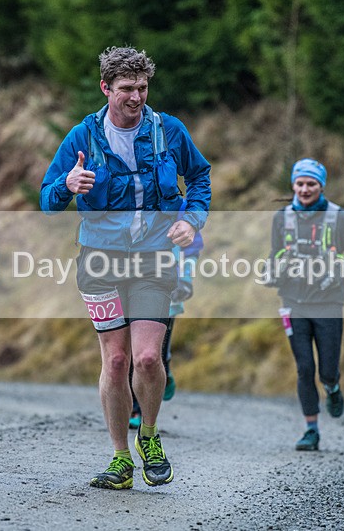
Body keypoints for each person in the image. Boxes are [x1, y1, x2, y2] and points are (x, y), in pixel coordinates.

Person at [40, 46, 211, 489]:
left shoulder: (168, 131)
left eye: (142, 87)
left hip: (154, 258)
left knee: (149, 357)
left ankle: (148, 436)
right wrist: (66, 185)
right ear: (106, 88)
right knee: (116, 361)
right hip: (99, 261)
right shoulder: (82, 137)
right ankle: (120, 460)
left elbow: (200, 178)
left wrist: (190, 221)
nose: (136, 97)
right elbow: (46, 200)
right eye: (126, 89)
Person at [263, 158, 344, 451]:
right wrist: (271, 273)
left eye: (311, 184)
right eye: (300, 183)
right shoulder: (282, 217)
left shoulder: (339, 216)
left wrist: (335, 272)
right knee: (305, 368)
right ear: (293, 185)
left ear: (321, 186)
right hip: (293, 303)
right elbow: (274, 255)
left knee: (326, 370)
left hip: (329, 302)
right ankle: (311, 430)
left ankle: (332, 388)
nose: (305, 189)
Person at [129, 202, 204, 429]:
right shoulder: (125, 197)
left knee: (155, 351)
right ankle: (135, 408)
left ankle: (164, 368)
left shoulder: (179, 207)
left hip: (169, 286)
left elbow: (192, 249)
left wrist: (186, 280)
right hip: (131, 284)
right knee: (133, 350)